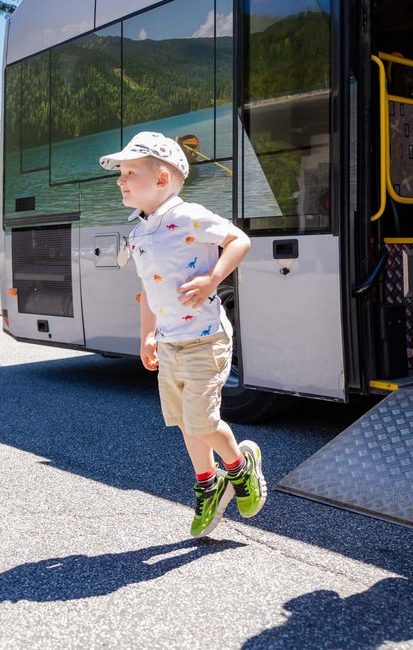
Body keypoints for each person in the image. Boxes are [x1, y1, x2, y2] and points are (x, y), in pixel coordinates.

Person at [100, 131, 267, 538]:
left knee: (202, 419)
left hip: (206, 338)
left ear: (161, 180)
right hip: (170, 342)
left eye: (130, 172)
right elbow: (147, 293)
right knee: (185, 422)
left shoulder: (190, 215)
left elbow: (239, 240)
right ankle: (208, 485)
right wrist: (147, 336)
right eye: (120, 174)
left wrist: (212, 279)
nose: (121, 181)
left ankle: (240, 467)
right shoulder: (138, 232)